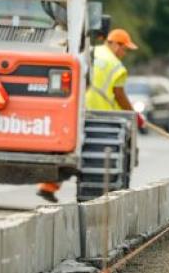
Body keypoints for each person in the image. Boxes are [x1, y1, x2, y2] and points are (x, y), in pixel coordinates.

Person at [36, 29, 144, 202]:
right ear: (115, 45)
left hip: (77, 107)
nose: (124, 53)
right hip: (100, 116)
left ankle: (47, 186)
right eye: (124, 49)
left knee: (67, 147)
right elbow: (118, 94)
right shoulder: (117, 67)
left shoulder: (90, 51)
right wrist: (133, 114)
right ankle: (96, 196)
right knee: (93, 156)